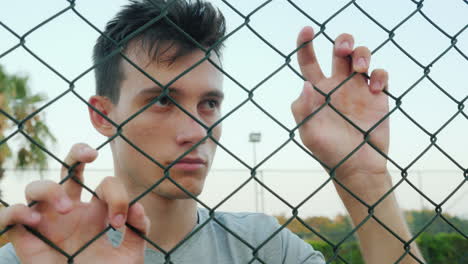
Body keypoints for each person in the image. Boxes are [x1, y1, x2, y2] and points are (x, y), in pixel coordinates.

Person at [0, 0, 424, 263]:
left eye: (209, 104)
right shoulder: (37, 255)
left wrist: (364, 179)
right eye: (162, 100)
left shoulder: (267, 247)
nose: (195, 130)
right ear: (102, 115)